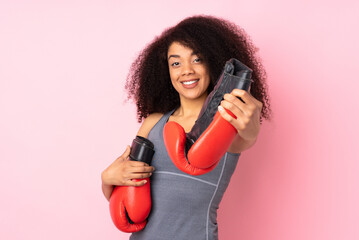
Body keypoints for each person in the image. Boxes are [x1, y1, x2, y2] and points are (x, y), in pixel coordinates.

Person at [101, 15, 271, 240]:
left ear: (213, 63)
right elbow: (124, 197)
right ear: (166, 71)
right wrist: (107, 179)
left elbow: (248, 137)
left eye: (197, 59)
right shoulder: (153, 123)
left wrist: (251, 118)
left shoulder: (226, 123)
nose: (187, 70)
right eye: (176, 63)